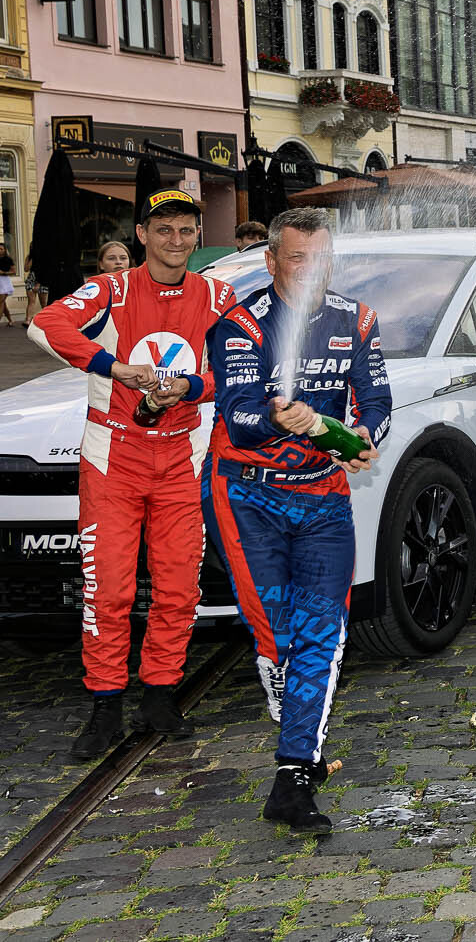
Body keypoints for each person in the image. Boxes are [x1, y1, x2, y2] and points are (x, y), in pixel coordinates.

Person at [29, 189, 237, 758]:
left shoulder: (218, 295)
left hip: (181, 457)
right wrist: (115, 368)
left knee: (179, 586)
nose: (176, 240)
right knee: (108, 589)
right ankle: (104, 706)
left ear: (197, 236)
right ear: (141, 235)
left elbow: (242, 368)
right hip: (113, 459)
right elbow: (44, 326)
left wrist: (190, 387)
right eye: (163, 229)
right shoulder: (112, 288)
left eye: (186, 230)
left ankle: (161, 695)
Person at [203, 207, 387, 831]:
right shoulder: (240, 324)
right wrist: (279, 419)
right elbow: (238, 419)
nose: (311, 270)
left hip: (324, 501)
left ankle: (293, 772)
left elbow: (377, 402)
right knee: (278, 638)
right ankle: (300, 740)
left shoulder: (356, 319)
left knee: (322, 634)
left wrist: (360, 434)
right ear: (271, 261)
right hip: (246, 499)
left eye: (321, 259)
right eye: (298, 258)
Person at [0, 241, 17, 327]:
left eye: (1, 249)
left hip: (4, 281)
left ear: (5, 250)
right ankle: (10, 320)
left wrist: (3, 272)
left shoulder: (8, 259)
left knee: (0, 302)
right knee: (2, 303)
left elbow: (13, 271)